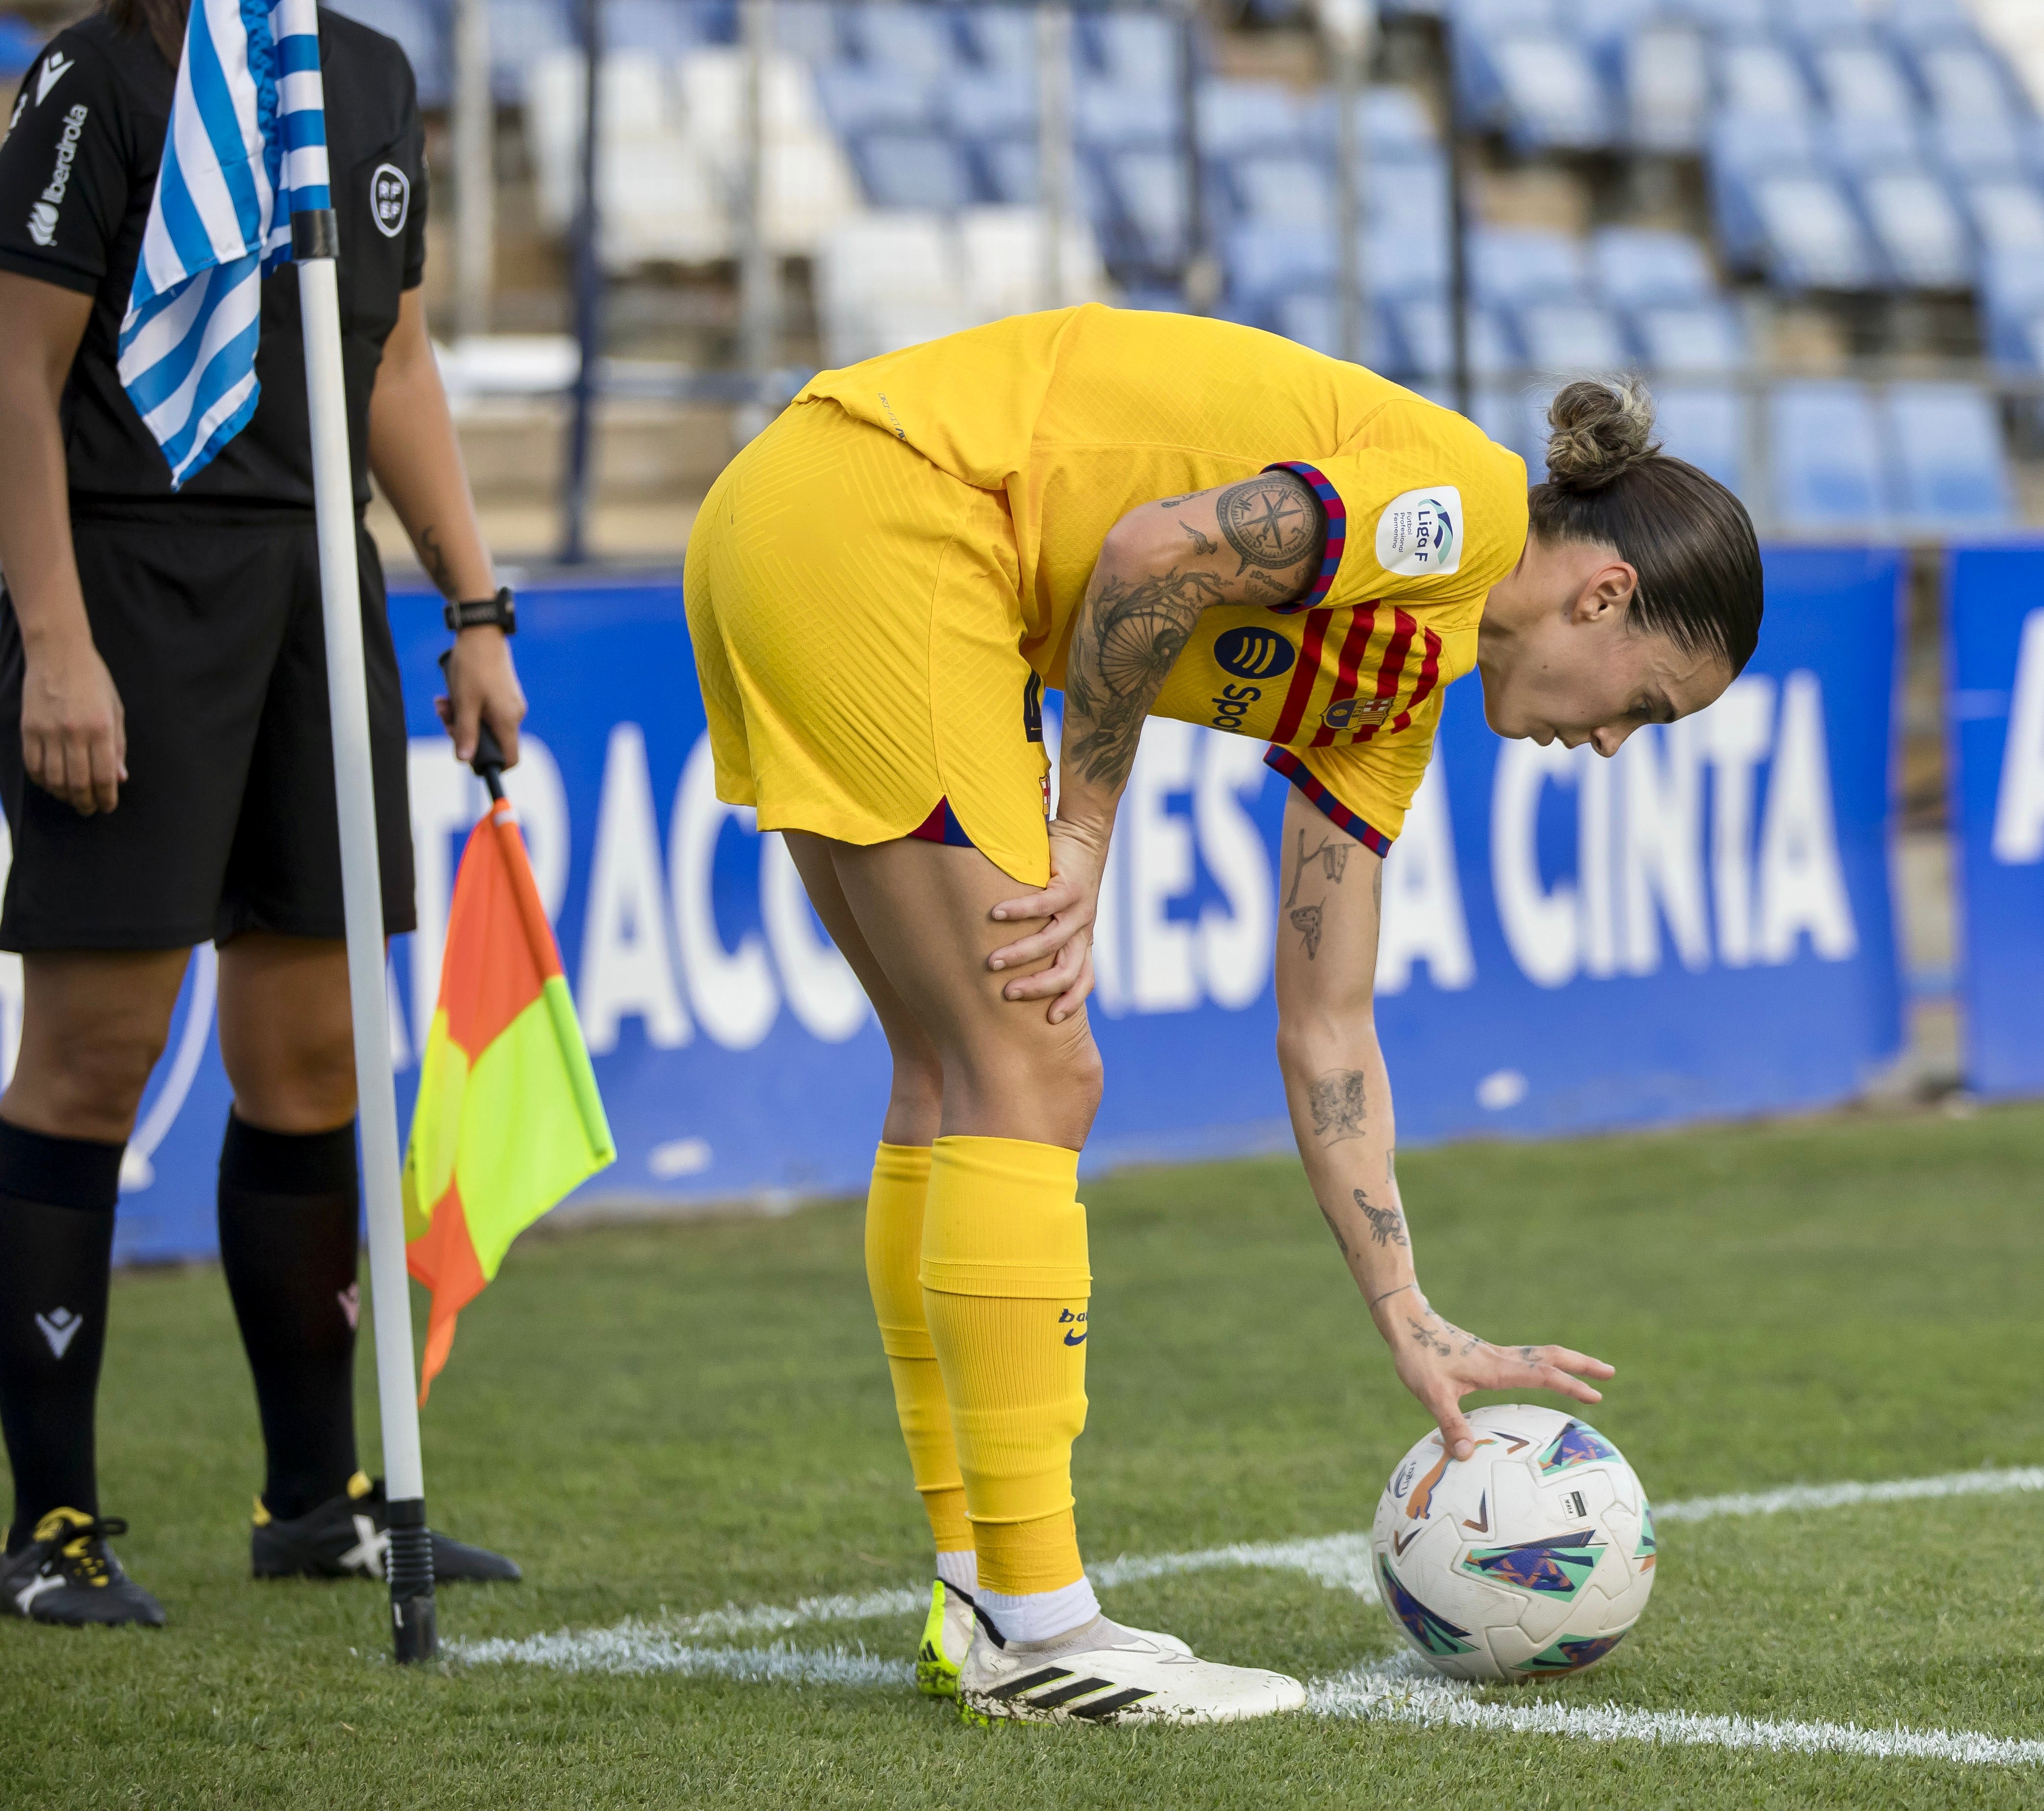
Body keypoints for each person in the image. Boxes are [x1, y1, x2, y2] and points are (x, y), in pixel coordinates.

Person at [684, 305, 1762, 1723]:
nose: (1614, 744)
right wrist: (1086, 824)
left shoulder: (1395, 699)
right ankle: (1033, 1621)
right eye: (1651, 707)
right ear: (1607, 596)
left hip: (799, 509)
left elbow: (1327, 1029)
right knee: (1035, 1066)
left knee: (954, 1073)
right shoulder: (1452, 515)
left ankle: (977, 1584)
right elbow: (1149, 555)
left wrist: (1409, 1315)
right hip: (887, 521)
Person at [0, 0, 526, 1627]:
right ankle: (54, 1527)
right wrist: (61, 644)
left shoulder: (362, 73)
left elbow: (396, 358)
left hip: (317, 585)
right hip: (127, 579)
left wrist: (474, 605)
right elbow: (15, 376)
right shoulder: (95, 75)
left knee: (307, 1061)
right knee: (95, 1058)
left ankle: (312, 1502)